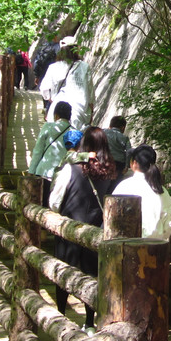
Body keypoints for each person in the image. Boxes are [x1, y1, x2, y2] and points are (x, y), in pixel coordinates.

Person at [50, 127, 118, 329]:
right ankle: (89, 323)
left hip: (68, 228)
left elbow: (55, 200)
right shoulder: (111, 173)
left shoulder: (71, 169)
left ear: (84, 145)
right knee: (91, 275)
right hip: (96, 230)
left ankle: (61, 315)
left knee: (63, 271)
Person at [112, 145, 171, 239]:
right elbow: (169, 221)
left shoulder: (123, 187)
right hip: (157, 246)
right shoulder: (161, 190)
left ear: (134, 163)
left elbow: (113, 219)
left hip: (127, 244)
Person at [38, 37, 94, 129]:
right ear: (76, 49)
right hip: (79, 112)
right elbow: (90, 92)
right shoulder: (84, 67)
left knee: (57, 139)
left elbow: (44, 89)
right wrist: (91, 111)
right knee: (76, 140)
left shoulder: (54, 67)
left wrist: (52, 99)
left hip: (58, 110)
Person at [27, 101, 72, 199]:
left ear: (56, 115)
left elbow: (38, 150)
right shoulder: (73, 132)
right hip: (62, 175)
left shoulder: (48, 127)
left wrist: (31, 170)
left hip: (44, 171)